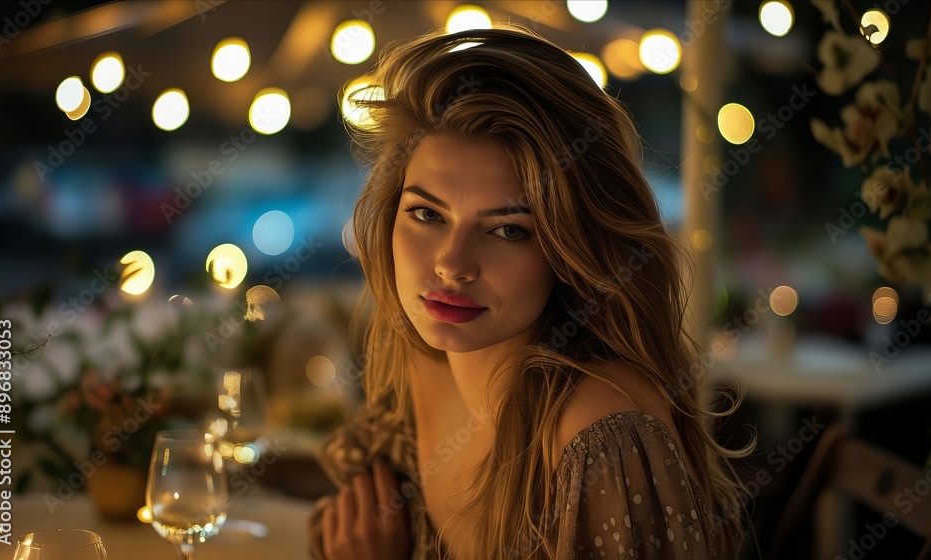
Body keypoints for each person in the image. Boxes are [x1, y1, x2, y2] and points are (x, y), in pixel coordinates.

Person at [306, 24, 752, 560]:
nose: (451, 265)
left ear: (569, 252)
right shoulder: (419, 357)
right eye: (427, 213)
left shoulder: (601, 436)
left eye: (509, 230)